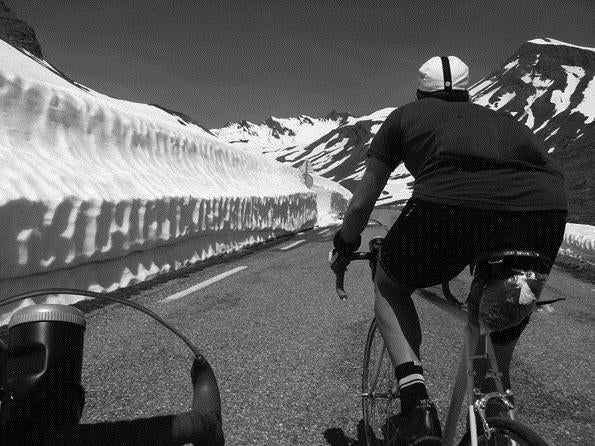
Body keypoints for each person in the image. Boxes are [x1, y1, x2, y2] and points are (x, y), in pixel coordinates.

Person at [331, 56, 567, 445]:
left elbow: (360, 205)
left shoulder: (405, 117)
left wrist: (344, 247)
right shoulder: (504, 120)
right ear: (467, 93)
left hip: (449, 205)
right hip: (542, 213)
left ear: (421, 93)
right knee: (496, 334)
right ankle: (498, 422)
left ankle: (417, 406)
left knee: (390, 283)